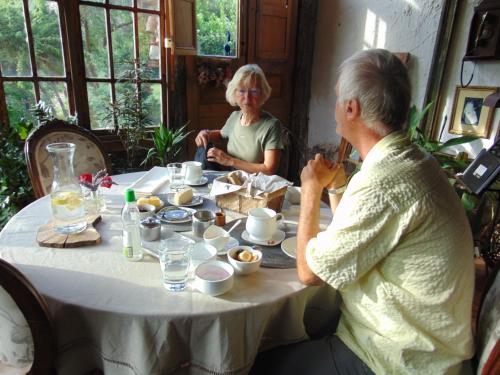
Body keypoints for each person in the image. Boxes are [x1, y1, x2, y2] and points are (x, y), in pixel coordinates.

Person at [251, 49, 474, 374]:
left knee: (258, 361)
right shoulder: (410, 161)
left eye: (339, 97)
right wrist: (337, 186)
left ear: (351, 108)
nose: (336, 105)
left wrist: (311, 191)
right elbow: (354, 240)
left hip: (398, 357)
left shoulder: (383, 183)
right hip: (426, 339)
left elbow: (310, 273)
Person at [194, 64, 284, 175]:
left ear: (262, 94)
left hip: (257, 186)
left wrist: (230, 161)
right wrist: (206, 133)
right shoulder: (235, 116)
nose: (247, 97)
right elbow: (221, 133)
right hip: (232, 181)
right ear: (234, 93)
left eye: (254, 91)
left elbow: (269, 170)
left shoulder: (272, 125)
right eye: (242, 91)